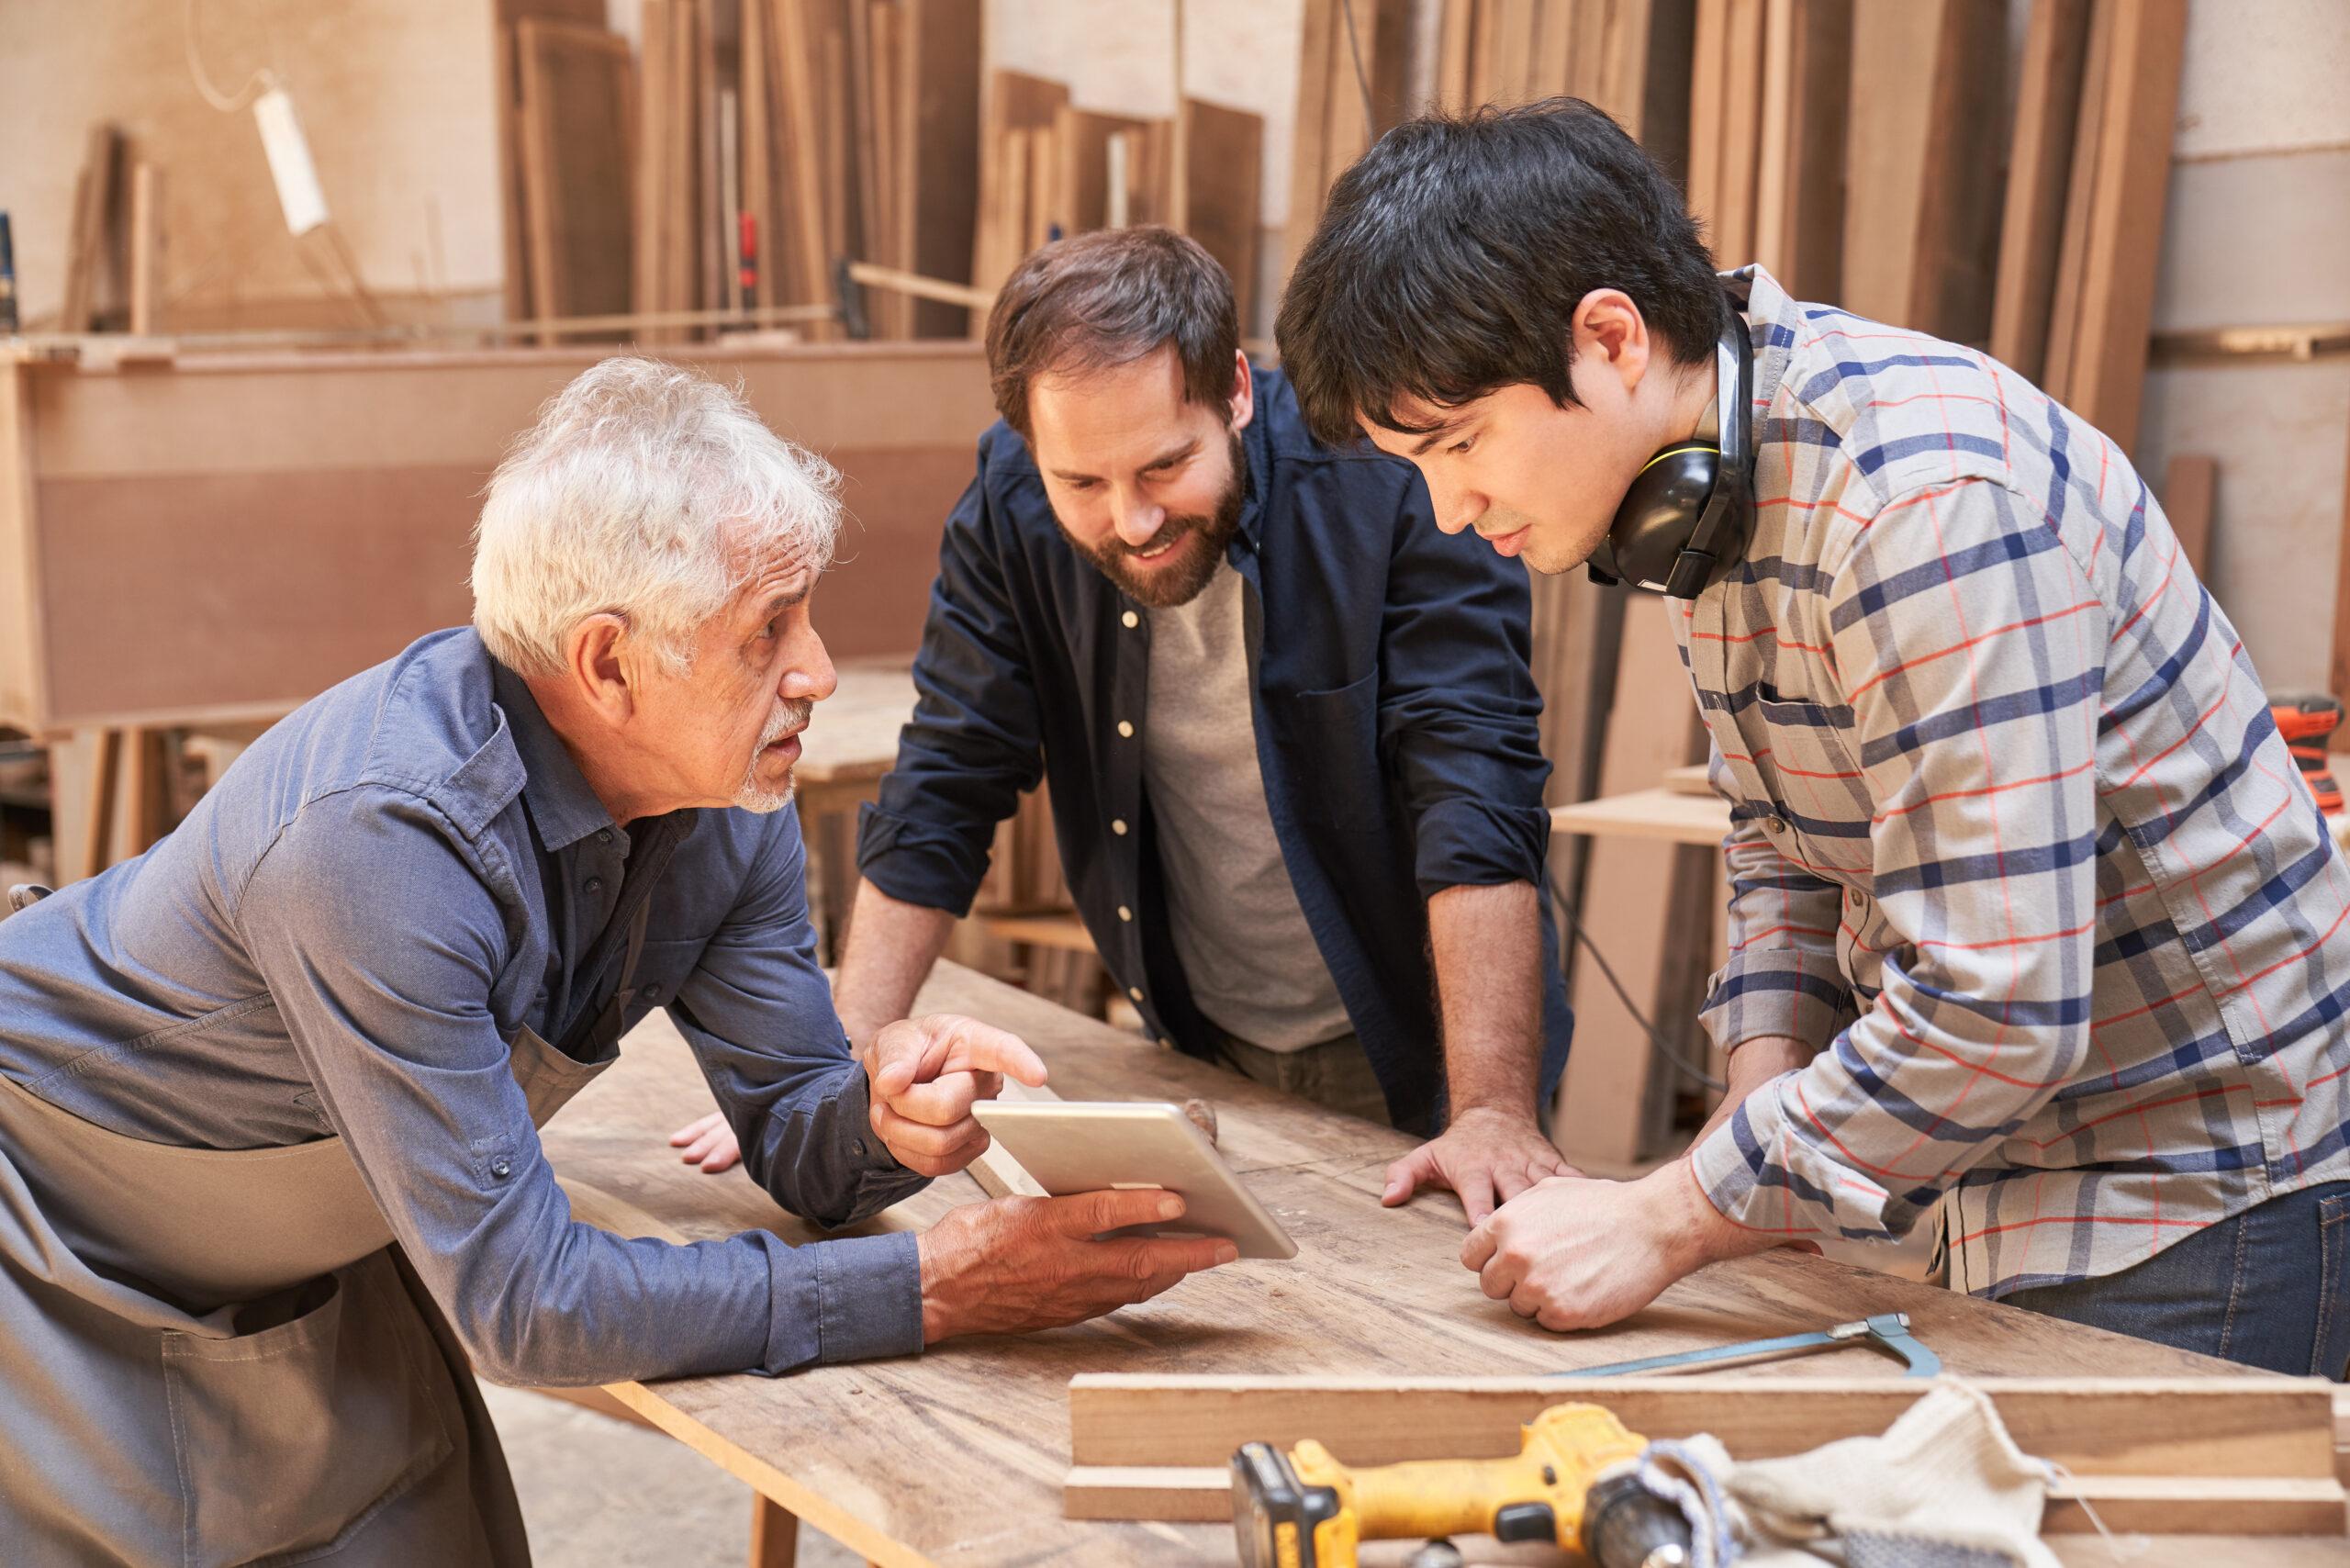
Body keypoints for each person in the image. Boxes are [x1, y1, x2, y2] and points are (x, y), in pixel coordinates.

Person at [0, 357, 1236, 1563]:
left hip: (299, 1214)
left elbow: (800, 1140)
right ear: (605, 664)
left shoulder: (719, 812)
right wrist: (932, 1288)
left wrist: (886, 1124)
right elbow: (526, 1307)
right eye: (768, 631)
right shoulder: (378, 845)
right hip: (48, 1220)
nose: (814, 671)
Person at [1272, 98, 2350, 1377]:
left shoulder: (1922, 511)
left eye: (1461, 444)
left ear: (1610, 337)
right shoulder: (1707, 492)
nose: (1451, 509)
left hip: (2206, 1193)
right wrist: (1758, 1088)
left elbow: (2001, 1007)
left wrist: (1672, 1215)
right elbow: (1782, 831)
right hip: (2015, 1175)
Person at [672, 228, 1576, 1224]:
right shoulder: (1014, 505)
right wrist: (834, 1071)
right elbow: (949, 776)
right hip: (1196, 1033)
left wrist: (1492, 1108)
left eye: (1164, 466)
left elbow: (1472, 790)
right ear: (1031, 448)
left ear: (1233, 390)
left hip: (1431, 1045)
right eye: (1083, 485)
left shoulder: (1391, 481)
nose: (1133, 520)